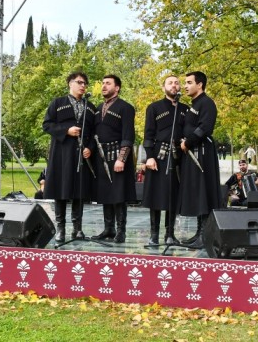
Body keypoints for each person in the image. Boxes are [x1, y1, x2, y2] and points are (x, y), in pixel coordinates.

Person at [43, 72, 96, 243]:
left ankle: (78, 228)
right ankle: (61, 228)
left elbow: (95, 133)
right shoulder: (57, 103)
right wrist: (66, 131)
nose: (83, 86)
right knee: (61, 190)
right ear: (70, 84)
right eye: (79, 82)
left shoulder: (90, 107)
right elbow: (47, 124)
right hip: (62, 154)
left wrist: (90, 148)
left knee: (79, 191)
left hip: (81, 155)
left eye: (85, 83)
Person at [141, 75, 187, 246]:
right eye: (170, 83)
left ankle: (170, 234)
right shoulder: (154, 107)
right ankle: (154, 235)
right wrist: (149, 156)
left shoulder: (185, 109)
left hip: (178, 157)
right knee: (155, 195)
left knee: (173, 196)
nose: (174, 85)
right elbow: (148, 134)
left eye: (176, 83)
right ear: (163, 87)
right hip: (158, 156)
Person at [177, 71, 221, 249]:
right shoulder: (194, 104)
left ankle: (205, 236)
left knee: (204, 191)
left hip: (202, 153)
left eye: (189, 82)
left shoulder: (207, 103)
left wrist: (188, 141)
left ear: (200, 84)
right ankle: (199, 233)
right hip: (192, 153)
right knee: (197, 192)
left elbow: (205, 128)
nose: (185, 86)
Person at [92, 74, 136, 244]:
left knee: (118, 194)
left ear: (117, 88)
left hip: (117, 155)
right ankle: (108, 229)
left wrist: (122, 158)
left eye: (108, 83)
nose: (104, 86)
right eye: (102, 83)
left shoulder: (126, 108)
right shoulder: (97, 108)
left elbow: (128, 135)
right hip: (101, 156)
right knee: (105, 193)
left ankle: (121, 231)